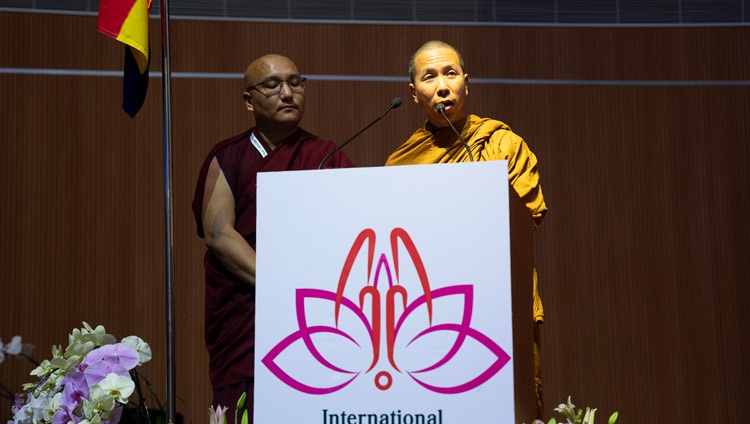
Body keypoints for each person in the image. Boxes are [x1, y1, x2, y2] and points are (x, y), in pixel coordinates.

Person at [385, 40, 548, 419]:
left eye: (451, 73)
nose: (442, 86)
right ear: (413, 94)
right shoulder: (401, 162)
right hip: (426, 311)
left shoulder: (502, 143)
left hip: (500, 300)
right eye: (429, 77)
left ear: (466, 83)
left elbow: (526, 218)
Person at [192, 54, 355, 421]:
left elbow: (352, 233)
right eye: (273, 85)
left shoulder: (328, 156)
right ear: (249, 100)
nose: (287, 93)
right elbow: (219, 234)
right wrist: (282, 288)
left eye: (296, 83)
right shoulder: (229, 156)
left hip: (316, 316)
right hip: (246, 318)